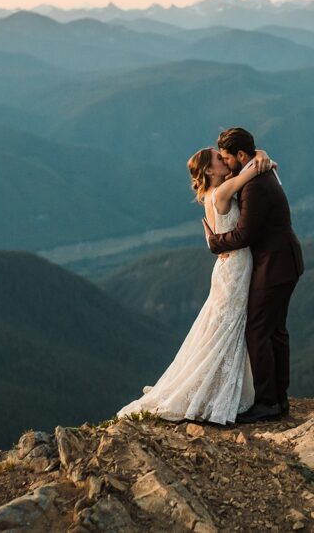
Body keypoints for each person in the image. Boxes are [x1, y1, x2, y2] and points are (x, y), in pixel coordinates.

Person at [116, 146, 276, 425]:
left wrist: (258, 151)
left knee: (224, 327)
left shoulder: (210, 194)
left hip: (232, 266)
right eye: (218, 158)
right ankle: (214, 393)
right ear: (210, 171)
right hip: (235, 268)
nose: (223, 159)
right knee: (226, 327)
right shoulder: (223, 192)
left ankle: (221, 388)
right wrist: (261, 155)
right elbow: (252, 171)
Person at [203, 127, 304, 424]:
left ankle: (268, 402)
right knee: (275, 331)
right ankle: (279, 398)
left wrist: (214, 242)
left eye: (227, 157)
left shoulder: (255, 184)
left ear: (241, 156)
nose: (225, 162)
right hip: (284, 262)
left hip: (274, 266)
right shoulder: (259, 171)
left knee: (258, 331)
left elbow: (245, 234)